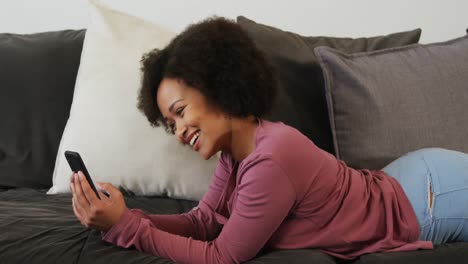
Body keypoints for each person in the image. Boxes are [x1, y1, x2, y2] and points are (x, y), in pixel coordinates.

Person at [69, 17, 468, 263]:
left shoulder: (272, 157)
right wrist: (126, 219)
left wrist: (127, 228)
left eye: (180, 112)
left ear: (217, 87)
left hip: (431, 198)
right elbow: (204, 222)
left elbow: (223, 256)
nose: (178, 131)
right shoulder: (237, 153)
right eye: (169, 125)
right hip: (404, 180)